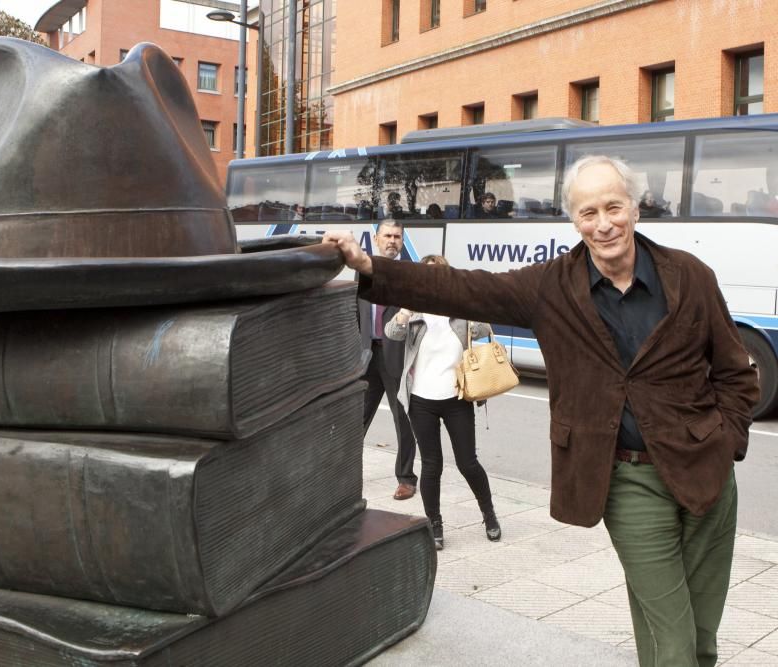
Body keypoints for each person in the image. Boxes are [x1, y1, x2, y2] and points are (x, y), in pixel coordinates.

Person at [325, 155, 759, 667]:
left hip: (705, 473)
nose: (604, 224)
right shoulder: (554, 287)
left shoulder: (690, 276)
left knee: (699, 636)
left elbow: (735, 372)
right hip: (628, 480)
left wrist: (726, 439)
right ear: (573, 221)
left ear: (635, 208)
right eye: (588, 212)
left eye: (613, 207)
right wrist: (372, 267)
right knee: (673, 638)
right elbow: (464, 287)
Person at [383, 254, 501, 550]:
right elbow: (391, 333)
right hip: (421, 401)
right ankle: (434, 525)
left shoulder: (458, 310)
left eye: (438, 274)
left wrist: (473, 314)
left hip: (456, 398)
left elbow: (485, 329)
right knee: (431, 466)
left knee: (468, 463)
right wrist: (404, 311)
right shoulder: (415, 313)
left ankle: (489, 514)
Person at [358, 220, 418, 500]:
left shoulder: (408, 275)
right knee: (355, 419)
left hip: (395, 354)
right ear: (376, 238)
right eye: (387, 236)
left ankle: (406, 478)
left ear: (402, 241)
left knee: (403, 419)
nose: (392, 241)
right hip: (365, 355)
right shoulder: (362, 271)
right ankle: (345, 474)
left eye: (397, 236)